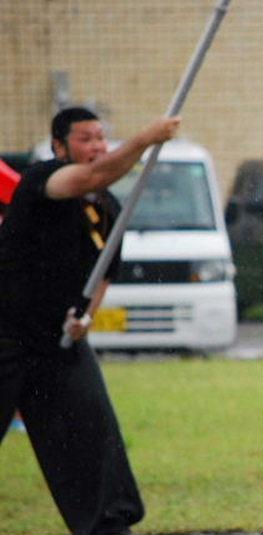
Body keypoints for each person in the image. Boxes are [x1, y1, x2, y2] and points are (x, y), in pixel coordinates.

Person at [0, 107, 180, 535]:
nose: (96, 146)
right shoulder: (43, 180)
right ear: (59, 146)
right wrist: (145, 139)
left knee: (90, 435)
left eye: (101, 137)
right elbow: (90, 177)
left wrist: (86, 318)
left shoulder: (105, 206)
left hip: (58, 344)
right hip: (5, 335)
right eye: (85, 138)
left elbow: (104, 271)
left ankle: (107, 525)